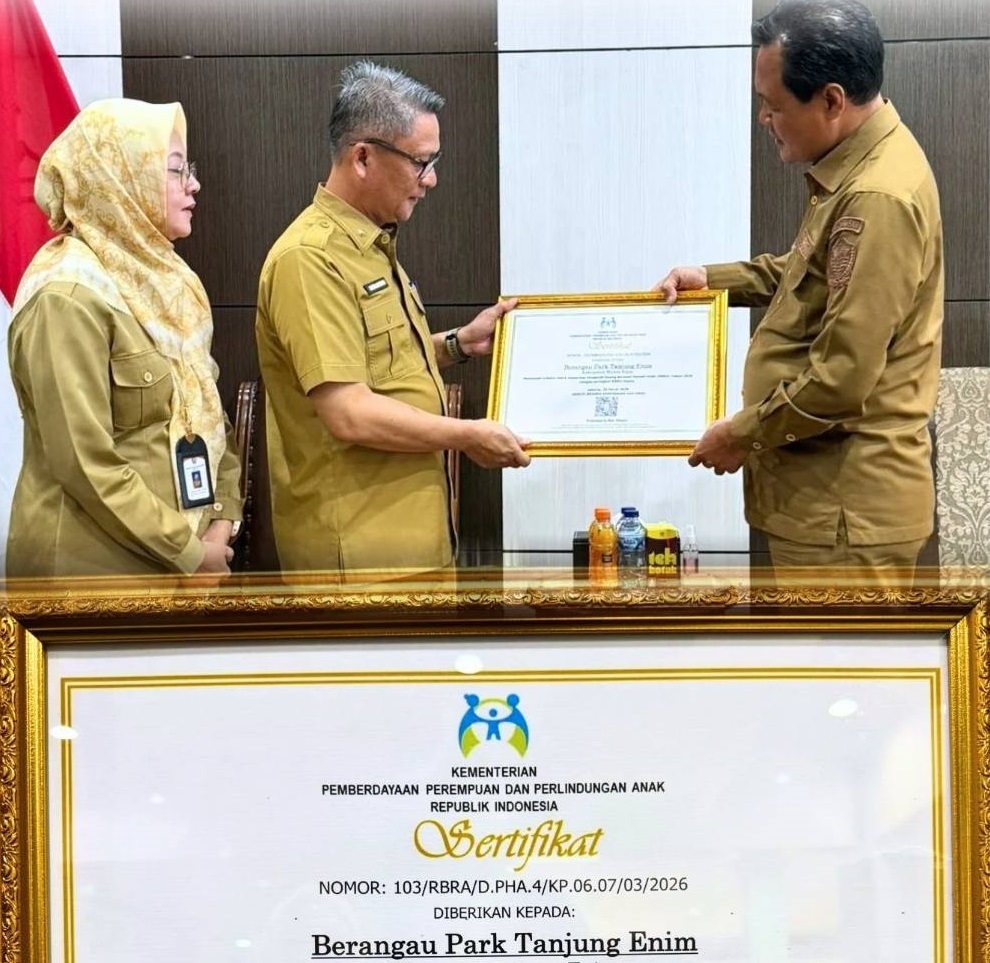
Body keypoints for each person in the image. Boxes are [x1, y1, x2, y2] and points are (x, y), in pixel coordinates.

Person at [655, 0, 942, 585]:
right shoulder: (860, 168)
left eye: (774, 104)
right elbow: (810, 270)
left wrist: (740, 434)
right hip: (822, 503)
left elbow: (841, 378)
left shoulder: (876, 197)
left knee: (837, 652)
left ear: (832, 100)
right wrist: (714, 280)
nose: (764, 118)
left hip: (844, 514)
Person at [256, 61, 530, 574]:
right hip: (360, 564)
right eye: (421, 162)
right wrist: (467, 435)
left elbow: (375, 364)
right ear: (363, 157)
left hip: (412, 546)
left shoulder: (368, 245)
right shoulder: (310, 258)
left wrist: (460, 344)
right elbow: (349, 411)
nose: (431, 179)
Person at [6, 99, 243, 578]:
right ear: (119, 178)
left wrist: (220, 522)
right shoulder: (66, 296)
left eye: (190, 169)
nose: (193, 184)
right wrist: (191, 552)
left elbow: (206, 413)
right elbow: (85, 464)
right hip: (93, 580)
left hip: (181, 568)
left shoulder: (167, 283)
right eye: (175, 170)